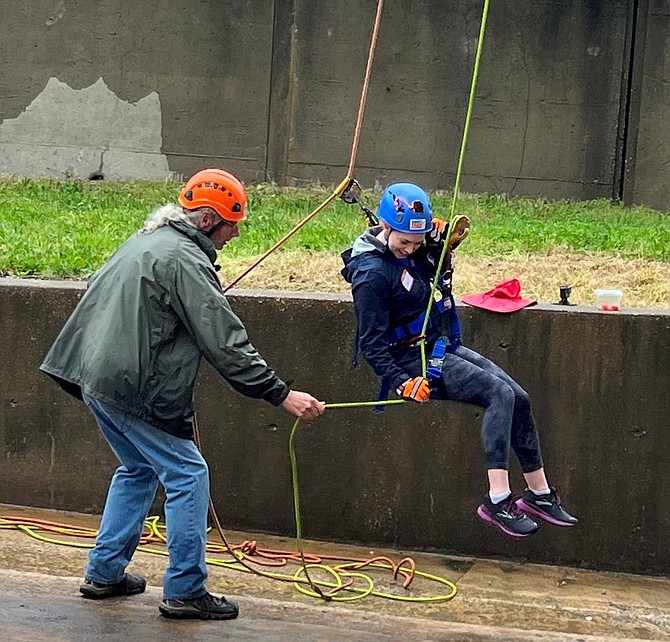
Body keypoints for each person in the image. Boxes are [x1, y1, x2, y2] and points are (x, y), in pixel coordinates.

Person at [40, 168, 325, 620]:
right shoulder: (184, 261)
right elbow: (226, 344)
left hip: (94, 377)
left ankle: (104, 573)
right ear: (210, 220)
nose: (236, 234)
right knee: (188, 475)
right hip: (134, 387)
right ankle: (186, 590)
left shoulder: (146, 241)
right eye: (234, 224)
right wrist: (281, 394)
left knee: (137, 469)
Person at [340, 182, 577, 539]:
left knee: (519, 398)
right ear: (385, 229)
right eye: (404, 242)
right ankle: (497, 500)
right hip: (408, 360)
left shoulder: (411, 250)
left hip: (437, 346)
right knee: (498, 394)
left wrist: (441, 246)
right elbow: (371, 343)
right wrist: (401, 381)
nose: (409, 251)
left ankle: (539, 494)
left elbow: (426, 265)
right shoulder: (372, 275)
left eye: (416, 244)